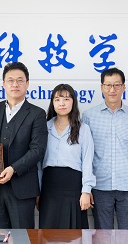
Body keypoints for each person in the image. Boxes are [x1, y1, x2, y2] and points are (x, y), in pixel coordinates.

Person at [0, 62, 47, 229]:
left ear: (27, 84)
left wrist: (13, 169)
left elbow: (38, 150)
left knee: (23, 236)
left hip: (22, 186)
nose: (15, 84)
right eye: (10, 80)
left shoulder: (37, 113)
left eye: (20, 80)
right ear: (4, 84)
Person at [82, 67, 128, 237]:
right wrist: (86, 187)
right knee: (102, 237)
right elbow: (85, 155)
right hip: (100, 185)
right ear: (102, 87)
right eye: (108, 85)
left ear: (124, 87)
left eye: (117, 85)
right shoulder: (89, 116)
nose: (112, 89)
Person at [38, 83, 95, 229]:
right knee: (48, 234)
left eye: (66, 99)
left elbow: (87, 161)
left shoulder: (83, 129)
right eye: (57, 99)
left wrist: (86, 191)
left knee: (74, 234)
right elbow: (38, 164)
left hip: (73, 187)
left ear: (73, 102)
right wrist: (37, 192)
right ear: (52, 103)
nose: (61, 103)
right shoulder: (44, 127)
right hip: (49, 187)